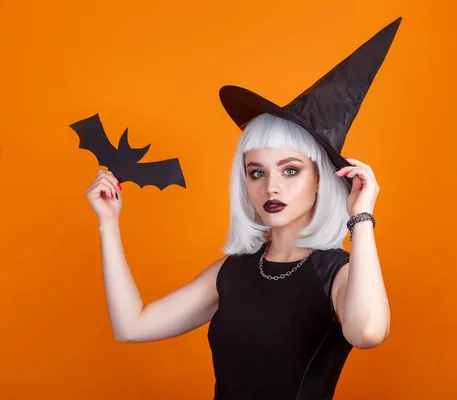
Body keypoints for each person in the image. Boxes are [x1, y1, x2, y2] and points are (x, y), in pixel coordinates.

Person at [86, 17, 401, 400]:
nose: (271, 186)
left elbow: (367, 332)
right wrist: (108, 224)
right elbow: (132, 326)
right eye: (256, 172)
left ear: (321, 178)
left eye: (290, 170)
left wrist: (361, 217)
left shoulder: (337, 273)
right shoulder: (234, 270)